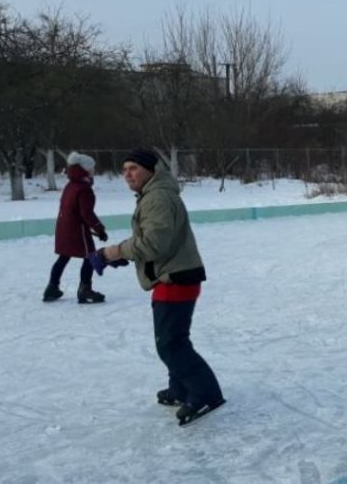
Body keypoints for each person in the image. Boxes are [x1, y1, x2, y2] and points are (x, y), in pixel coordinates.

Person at [93, 148, 225, 426]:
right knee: (172, 340)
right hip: (173, 274)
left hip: (175, 278)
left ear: (151, 170)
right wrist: (130, 256)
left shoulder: (157, 197)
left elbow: (154, 243)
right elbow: (156, 240)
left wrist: (112, 252)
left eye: (134, 168)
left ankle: (206, 393)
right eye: (124, 169)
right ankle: (180, 388)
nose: (127, 174)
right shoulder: (154, 194)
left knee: (171, 344)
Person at [43, 152, 108, 304]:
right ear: (85, 170)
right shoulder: (84, 189)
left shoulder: (70, 185)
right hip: (77, 230)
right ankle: (85, 290)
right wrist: (99, 229)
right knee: (90, 256)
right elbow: (86, 213)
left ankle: (52, 287)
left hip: (64, 228)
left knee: (64, 256)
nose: (93, 170)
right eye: (92, 168)